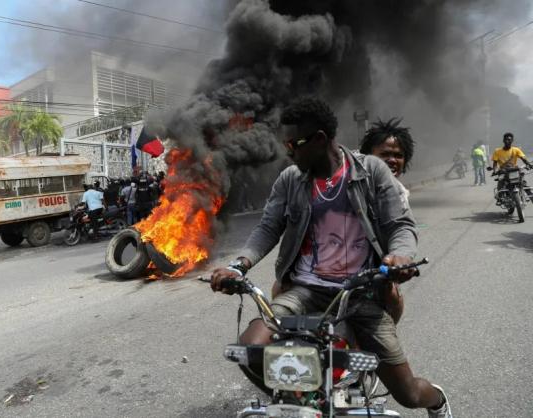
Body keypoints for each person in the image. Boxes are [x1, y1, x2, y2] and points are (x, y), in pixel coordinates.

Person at [210, 97, 452, 417]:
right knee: (252, 349)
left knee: (407, 394)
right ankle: (310, 401)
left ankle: (437, 400)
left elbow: (401, 226)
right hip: (305, 290)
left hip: (361, 292)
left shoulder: (371, 171)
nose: (288, 151)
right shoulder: (290, 180)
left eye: (294, 143)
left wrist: (400, 256)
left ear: (320, 140)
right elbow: (268, 228)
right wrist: (238, 266)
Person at [359, 117, 415, 323]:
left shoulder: (400, 193)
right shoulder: (351, 182)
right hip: (333, 267)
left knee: (393, 300)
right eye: (384, 154)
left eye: (398, 155)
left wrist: (400, 256)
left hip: (375, 270)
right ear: (368, 158)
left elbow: (401, 228)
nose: (392, 160)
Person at [491, 132, 533, 200]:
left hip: (514, 170)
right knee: (501, 185)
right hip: (503, 171)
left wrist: (528, 164)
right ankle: (500, 198)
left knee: (523, 184)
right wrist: (495, 170)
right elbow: (495, 163)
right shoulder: (497, 151)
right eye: (506, 139)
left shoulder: (516, 149)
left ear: (512, 141)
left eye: (509, 139)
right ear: (503, 140)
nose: (507, 141)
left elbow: (523, 158)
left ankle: (530, 197)